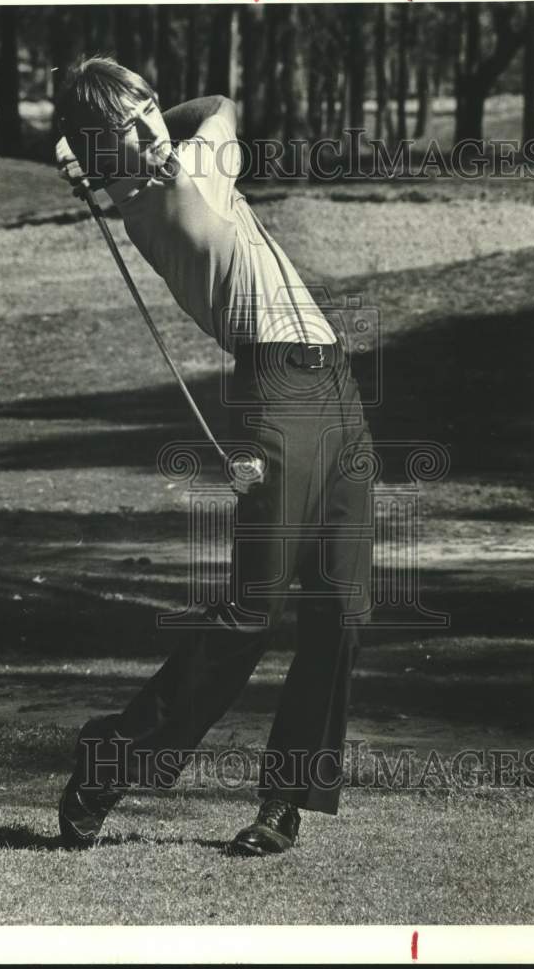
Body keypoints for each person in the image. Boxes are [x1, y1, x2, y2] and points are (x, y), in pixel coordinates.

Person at [54, 56, 374, 857]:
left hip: (336, 388)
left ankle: (283, 805)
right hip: (277, 395)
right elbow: (212, 121)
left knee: (338, 608)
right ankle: (111, 758)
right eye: (125, 128)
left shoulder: (162, 168)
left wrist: (109, 138)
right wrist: (112, 157)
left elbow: (218, 102)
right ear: (107, 151)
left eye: (151, 110)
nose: (149, 129)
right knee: (251, 612)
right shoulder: (164, 198)